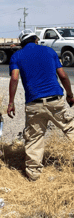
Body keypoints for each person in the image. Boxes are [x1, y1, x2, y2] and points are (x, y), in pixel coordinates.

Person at [7, 29, 74, 181]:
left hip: (34, 104)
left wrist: (11, 102)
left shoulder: (17, 56)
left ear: (21, 43)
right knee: (70, 128)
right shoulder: (49, 51)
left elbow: (15, 79)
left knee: (34, 138)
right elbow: (63, 75)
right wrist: (70, 95)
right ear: (36, 39)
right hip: (55, 101)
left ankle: (34, 175)